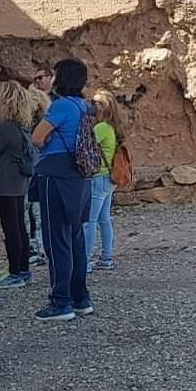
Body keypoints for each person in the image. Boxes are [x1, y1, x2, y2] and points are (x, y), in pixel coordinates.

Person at [30, 58, 95, 321]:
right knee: (76, 238)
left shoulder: (60, 107)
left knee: (56, 240)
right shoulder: (84, 106)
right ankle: (80, 297)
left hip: (55, 174)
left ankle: (60, 302)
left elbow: (37, 136)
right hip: (80, 176)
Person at [0, 81, 38, 288]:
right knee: (19, 226)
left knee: (11, 228)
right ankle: (23, 269)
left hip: (5, 183)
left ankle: (15, 271)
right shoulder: (20, 127)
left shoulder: (5, 128)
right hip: (18, 181)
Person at [83, 89, 124, 270]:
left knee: (89, 222)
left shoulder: (100, 128)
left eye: (95, 103)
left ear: (102, 107)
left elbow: (85, 146)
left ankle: (83, 261)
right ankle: (106, 257)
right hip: (108, 178)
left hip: (98, 178)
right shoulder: (112, 127)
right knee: (104, 219)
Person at [25, 86, 51, 267]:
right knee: (38, 212)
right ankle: (40, 247)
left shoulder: (31, 124)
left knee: (32, 212)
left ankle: (35, 248)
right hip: (40, 169)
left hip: (32, 170)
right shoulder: (45, 121)